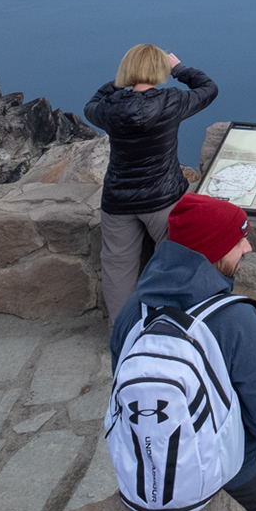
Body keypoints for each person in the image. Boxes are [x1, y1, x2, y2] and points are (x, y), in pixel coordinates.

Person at [111, 193, 256, 511]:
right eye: (238, 239)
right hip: (244, 474)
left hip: (165, 465)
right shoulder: (232, 320)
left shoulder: (133, 310)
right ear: (211, 252)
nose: (247, 247)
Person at [84, 44, 219, 318]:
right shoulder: (171, 101)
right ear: (160, 70)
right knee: (173, 263)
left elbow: (91, 105)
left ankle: (122, 336)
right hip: (163, 199)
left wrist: (124, 80)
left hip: (118, 201)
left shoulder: (109, 109)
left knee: (117, 267)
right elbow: (208, 88)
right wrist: (179, 69)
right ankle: (168, 325)